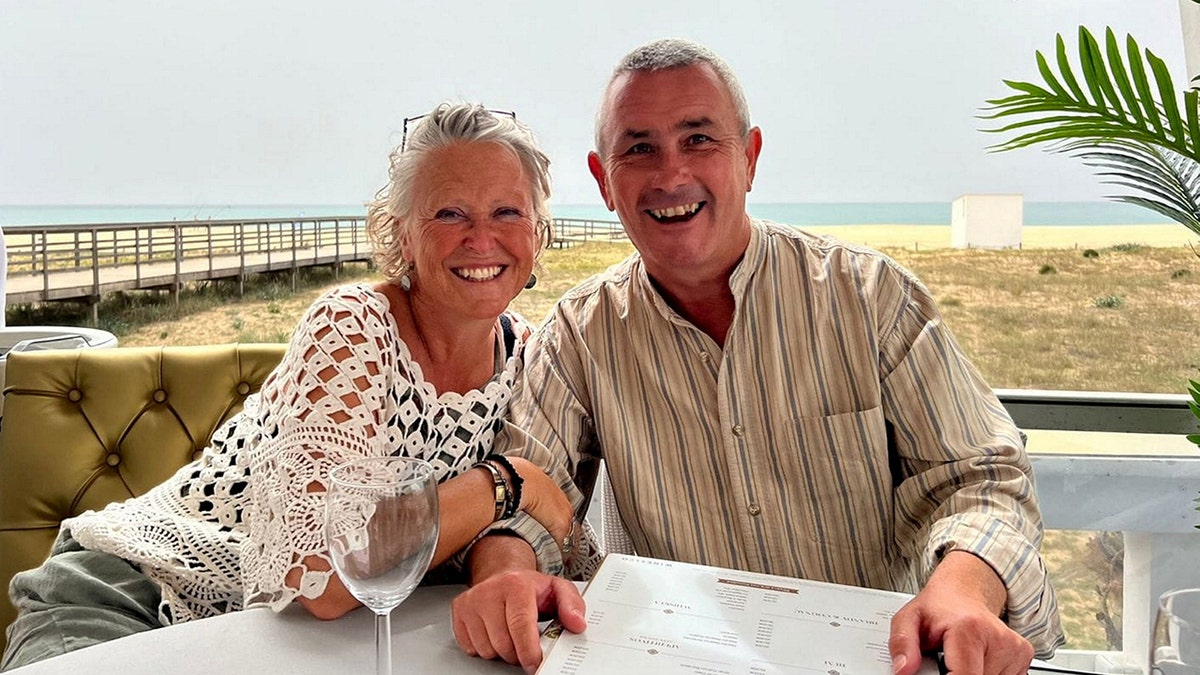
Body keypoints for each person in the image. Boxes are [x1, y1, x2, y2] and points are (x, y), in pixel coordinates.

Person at [450, 39, 1066, 675]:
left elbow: (979, 477)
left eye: (698, 140)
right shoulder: (578, 334)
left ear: (749, 157)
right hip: (676, 661)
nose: (671, 175)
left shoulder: (870, 297)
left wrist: (965, 592)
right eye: (639, 149)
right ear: (604, 181)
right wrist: (507, 576)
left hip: (883, 659)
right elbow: (526, 491)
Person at [1, 102, 575, 669]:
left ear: (538, 230)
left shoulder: (530, 358)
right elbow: (322, 578)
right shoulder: (352, 326)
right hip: (131, 592)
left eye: (507, 211)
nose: (482, 238)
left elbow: (560, 541)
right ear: (402, 234)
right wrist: (508, 480)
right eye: (449, 213)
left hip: (301, 644)